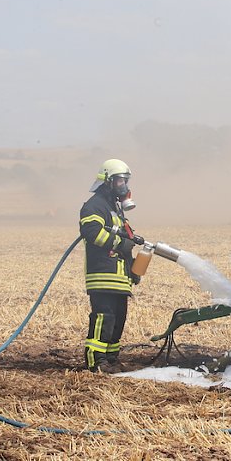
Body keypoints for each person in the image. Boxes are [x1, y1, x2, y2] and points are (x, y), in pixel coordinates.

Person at [79, 159, 143, 373]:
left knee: (118, 320)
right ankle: (95, 361)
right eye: (120, 181)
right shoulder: (94, 205)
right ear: (107, 181)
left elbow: (125, 240)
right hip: (103, 274)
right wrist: (120, 243)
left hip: (119, 277)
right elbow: (92, 233)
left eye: (125, 181)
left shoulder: (115, 209)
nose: (123, 186)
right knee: (103, 318)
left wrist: (133, 266)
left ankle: (111, 359)